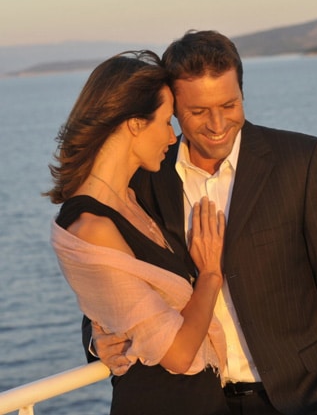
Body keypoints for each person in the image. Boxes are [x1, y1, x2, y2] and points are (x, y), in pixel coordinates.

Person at [87, 31, 317, 415]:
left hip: (302, 401)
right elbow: (111, 281)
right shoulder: (144, 180)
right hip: (190, 403)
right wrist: (97, 339)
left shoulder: (302, 162)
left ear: (242, 91)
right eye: (198, 112)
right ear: (172, 107)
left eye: (229, 104)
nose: (217, 124)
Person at [45, 50, 231, 415]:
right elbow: (178, 354)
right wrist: (210, 274)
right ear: (134, 124)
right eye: (166, 122)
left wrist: (99, 336)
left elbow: (123, 303)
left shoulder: (133, 198)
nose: (173, 136)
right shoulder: (91, 226)